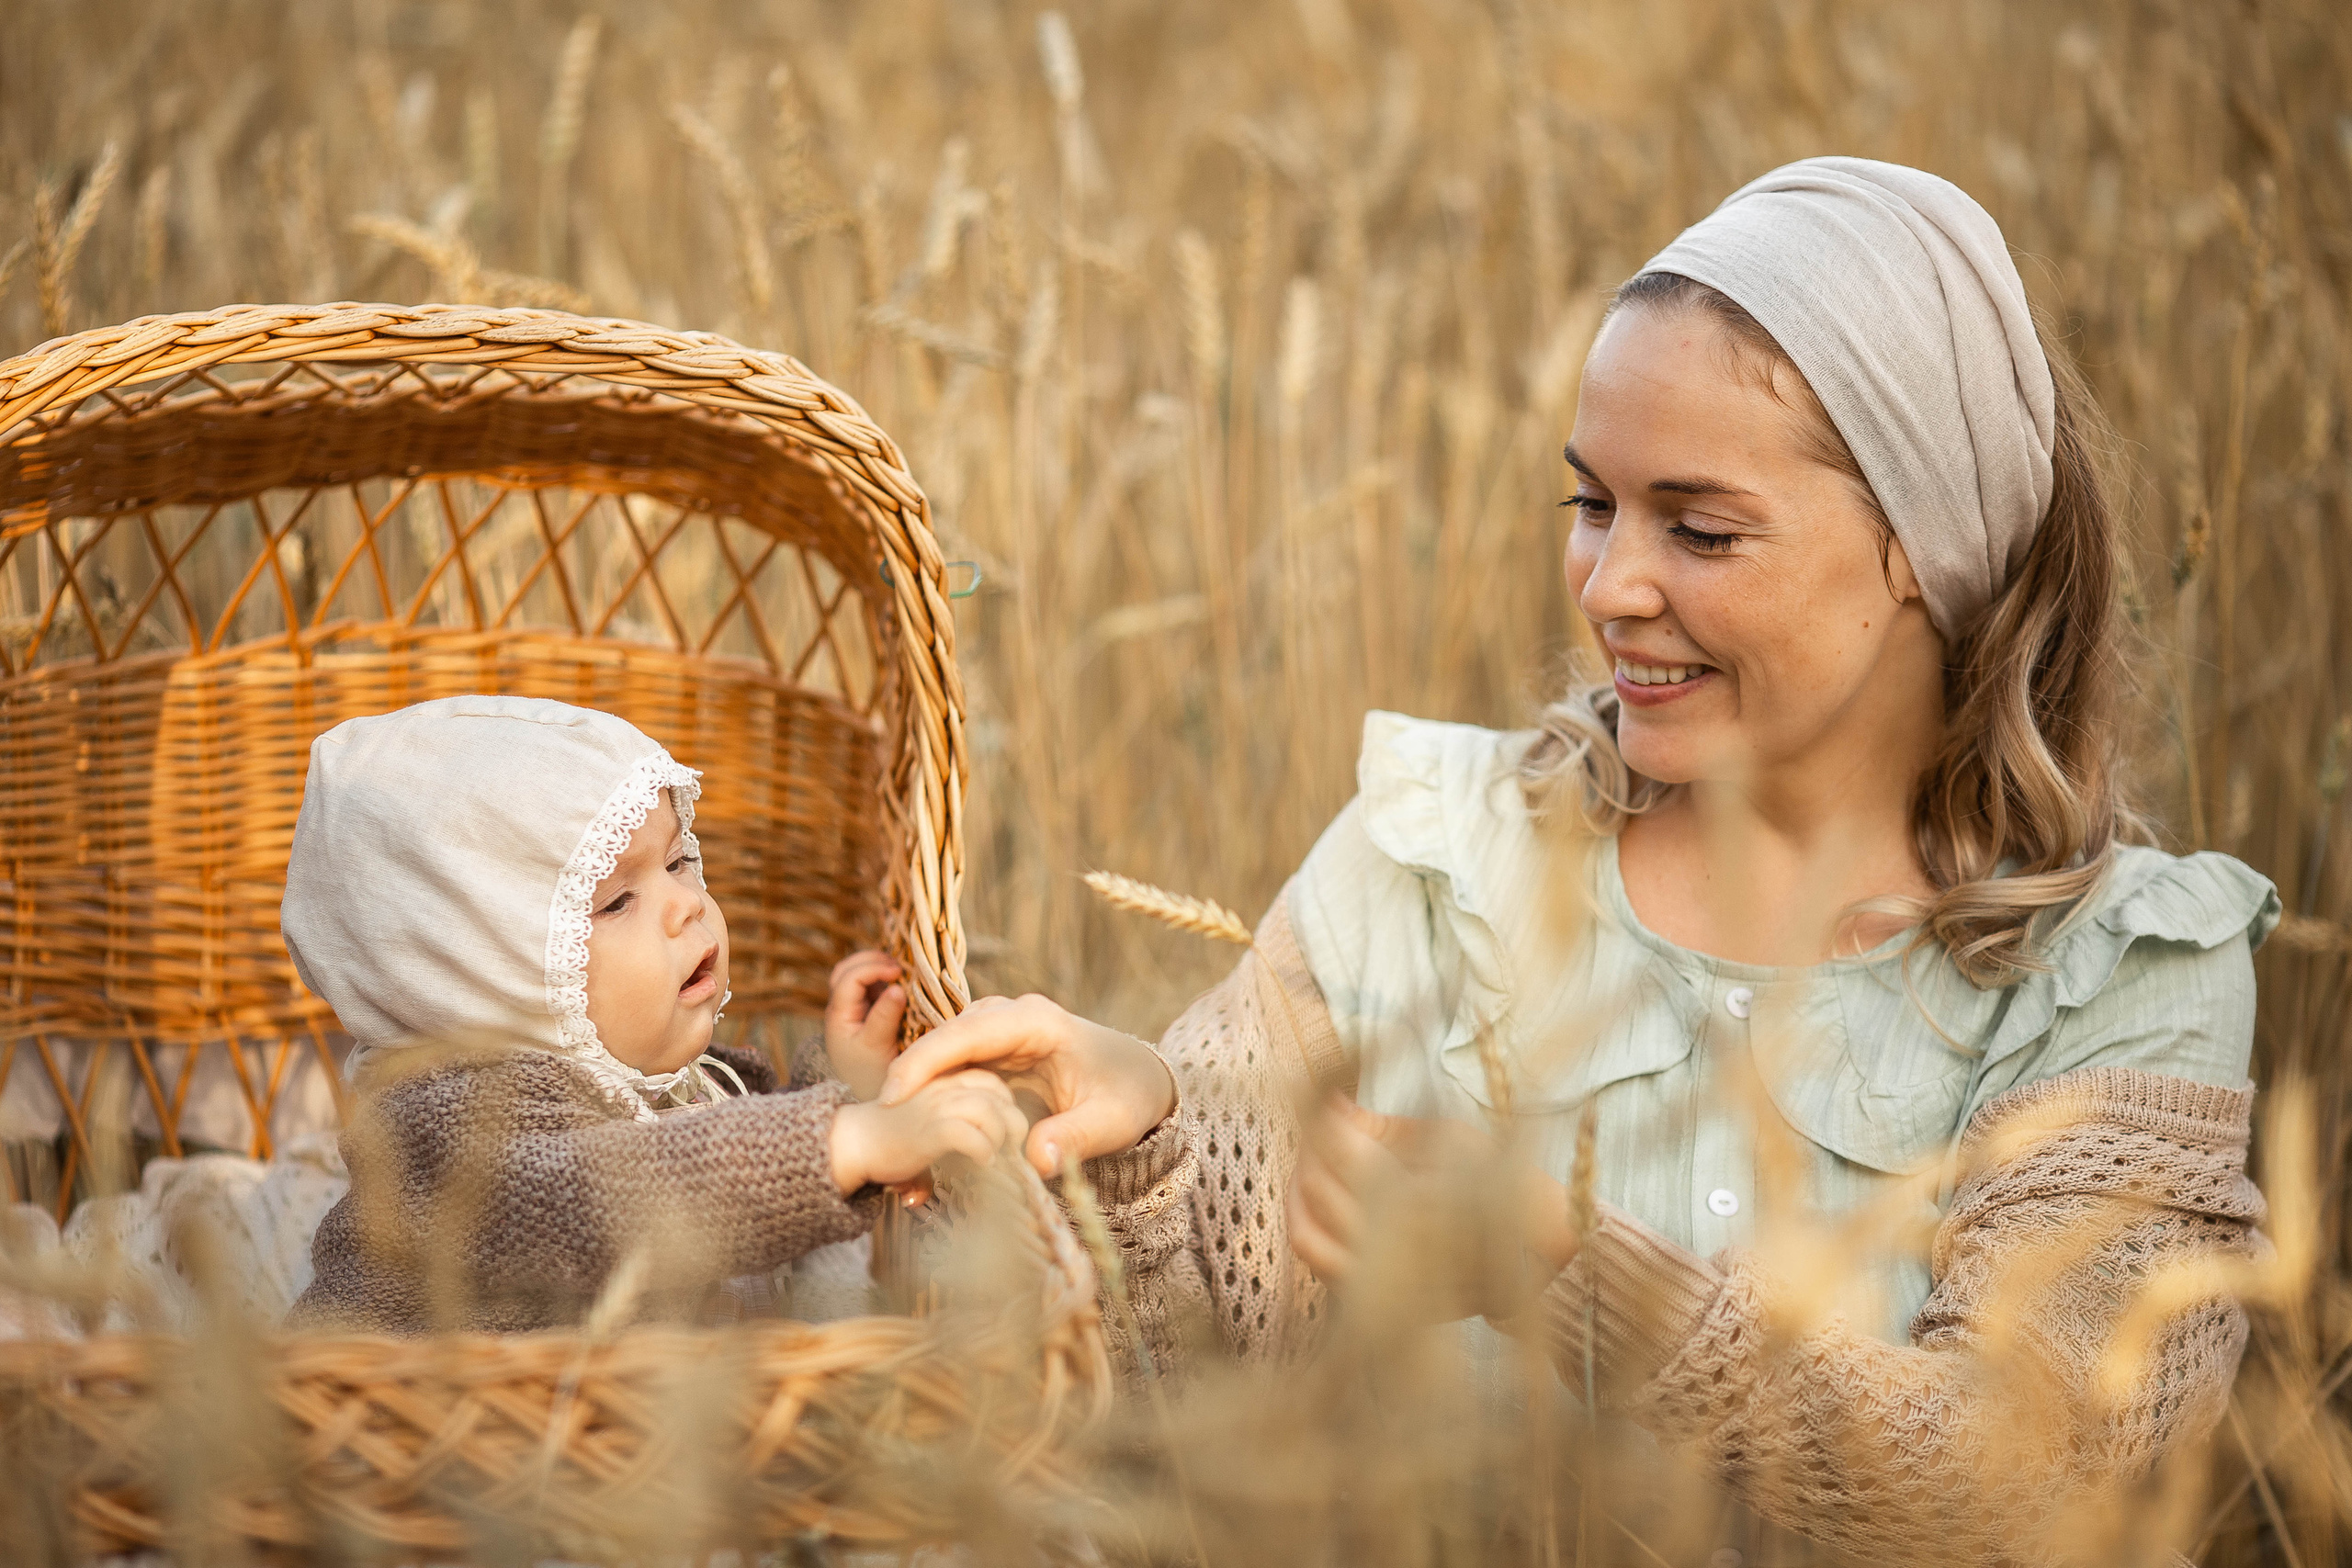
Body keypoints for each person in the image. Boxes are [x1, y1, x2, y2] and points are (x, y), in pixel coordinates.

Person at [873, 158, 2277, 1562]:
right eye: (1593, 505)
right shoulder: (1431, 864)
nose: (1611, 587)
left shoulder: (2127, 978)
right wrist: (1135, 1144)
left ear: (1927, 543)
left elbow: (2038, 1483)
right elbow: (1177, 1400)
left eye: (1701, 527)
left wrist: (1562, 1261)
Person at [281, 694, 1022, 1334]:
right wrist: (848, 1138)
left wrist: (847, 1085)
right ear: (483, 982)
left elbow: (741, 1162)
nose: (686, 903)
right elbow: (614, 1195)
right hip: (403, 1458)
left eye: (677, 863)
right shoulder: (447, 1136)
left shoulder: (665, 1081)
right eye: (616, 901)